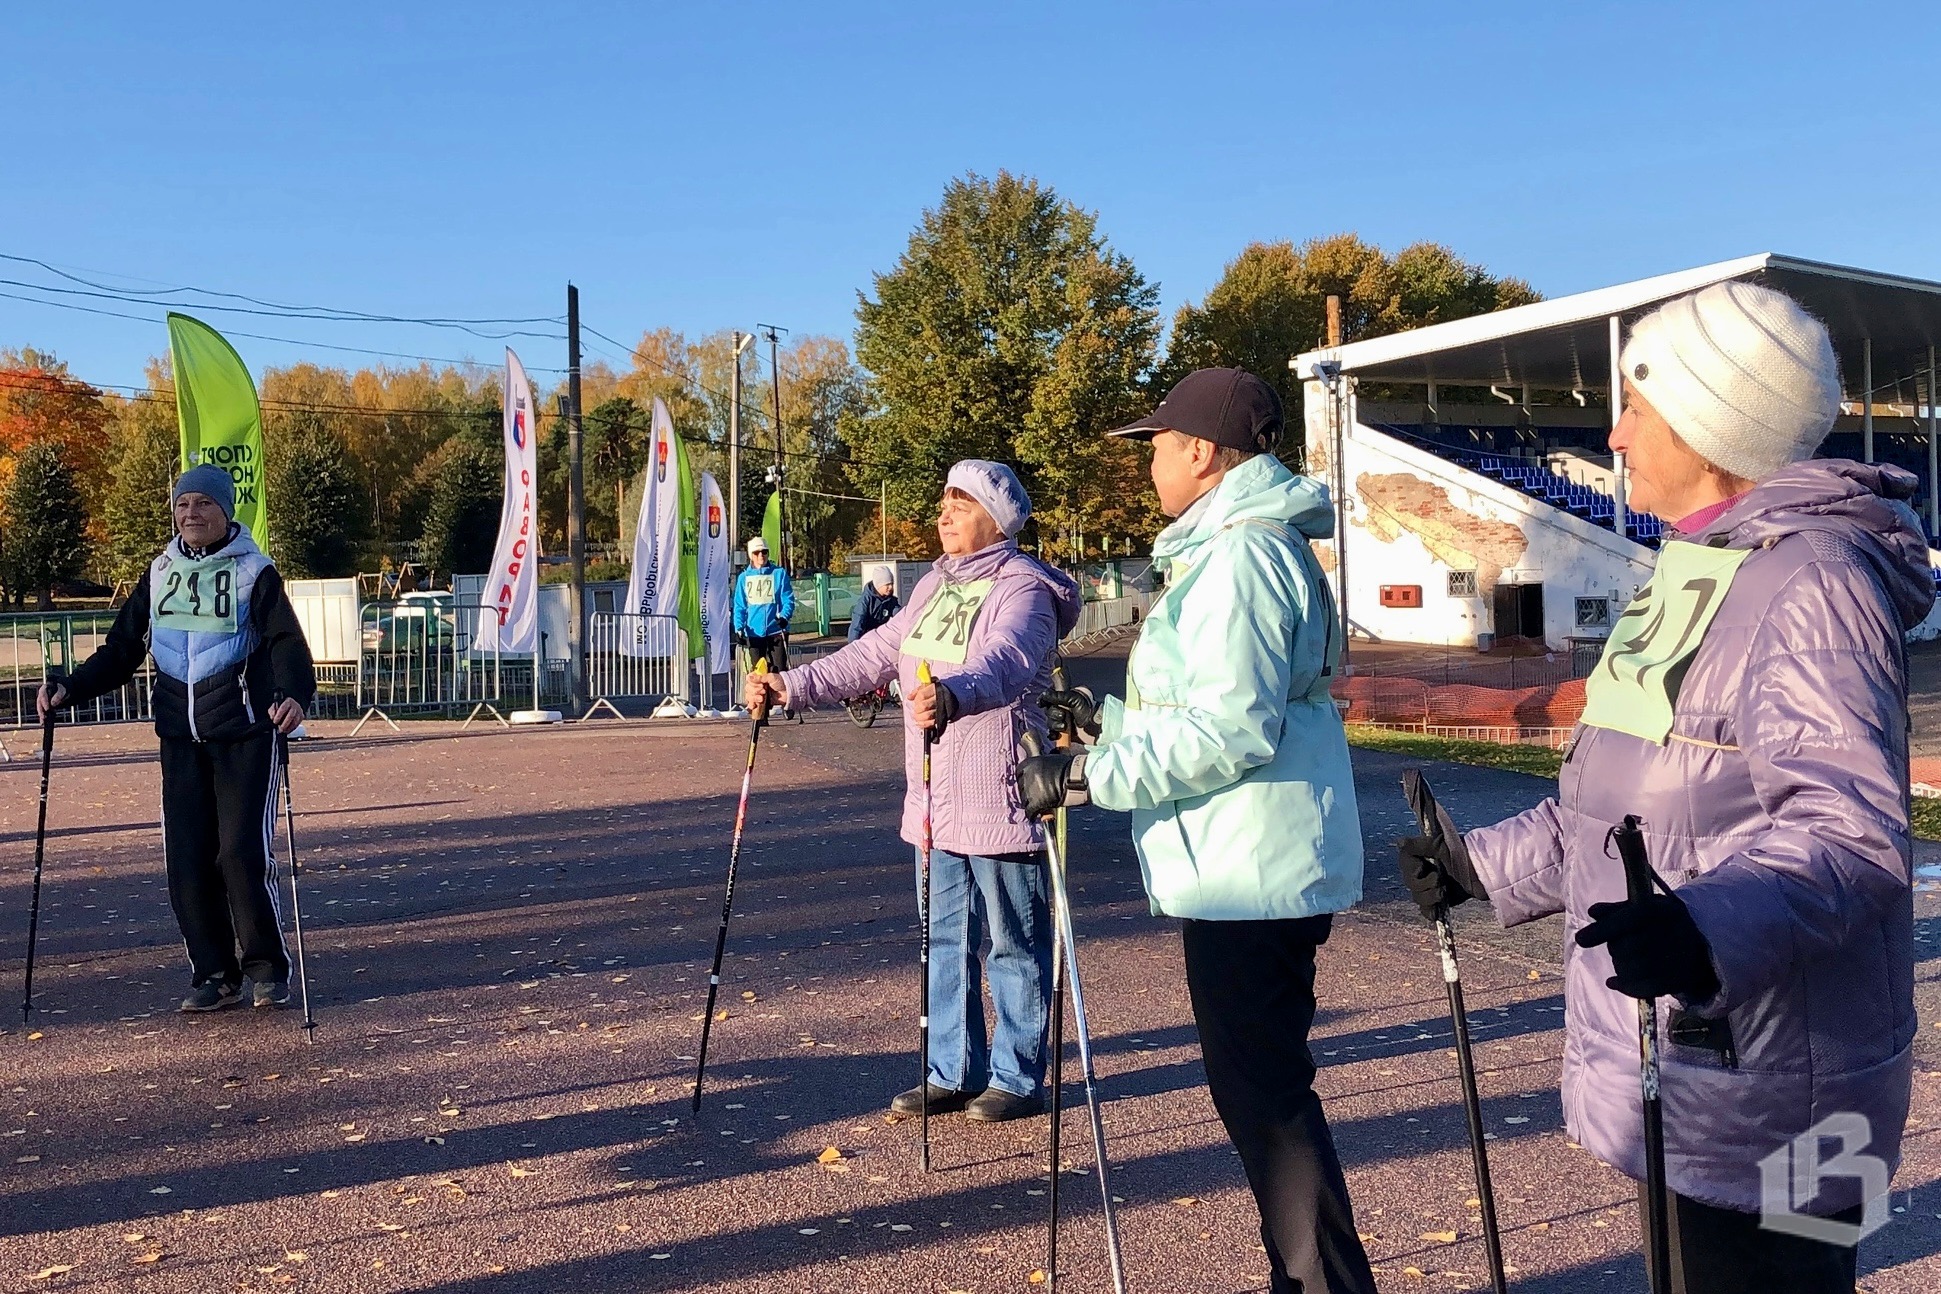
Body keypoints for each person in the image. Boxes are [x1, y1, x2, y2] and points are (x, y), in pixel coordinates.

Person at [1398, 281, 1930, 1293]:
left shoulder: (1815, 580)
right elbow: (1622, 803)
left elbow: (1853, 834)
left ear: (1710, 421)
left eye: (1637, 405)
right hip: (1698, 1074)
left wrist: (1706, 923)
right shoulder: (1696, 572)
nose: (1616, 432)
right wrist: (1478, 866)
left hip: (1796, 1099)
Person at [1019, 367, 1377, 1294]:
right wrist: (1105, 728)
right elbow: (1208, 704)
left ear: (1201, 452)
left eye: (1155, 446)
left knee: (1264, 1097)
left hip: (1249, 868)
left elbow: (1229, 728)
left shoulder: (1240, 556)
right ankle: (1307, 1277)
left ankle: (1320, 1283)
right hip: (1243, 858)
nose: (1147, 465)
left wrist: (1089, 775)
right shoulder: (1232, 548)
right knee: (1260, 1090)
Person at [747, 461, 1080, 1121]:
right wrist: (792, 688)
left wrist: (954, 694)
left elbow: (1008, 661)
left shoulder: (1023, 589)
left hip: (1001, 796)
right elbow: (872, 654)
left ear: (998, 518)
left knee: (1013, 939)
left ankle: (1016, 1077)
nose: (944, 514)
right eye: (942, 503)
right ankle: (951, 1070)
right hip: (931, 800)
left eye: (960, 503)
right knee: (942, 940)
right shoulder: (932, 584)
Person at [39, 465, 316, 1013]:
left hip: (243, 733)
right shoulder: (160, 572)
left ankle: (266, 968)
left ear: (225, 511)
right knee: (187, 857)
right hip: (180, 738)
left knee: (240, 853)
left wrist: (293, 695)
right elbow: (122, 648)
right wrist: (70, 687)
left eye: (203, 504)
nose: (191, 514)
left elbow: (286, 641)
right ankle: (213, 973)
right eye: (183, 504)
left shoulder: (254, 572)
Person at [732, 536, 796, 717]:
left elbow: (788, 599)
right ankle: (762, 712)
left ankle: (787, 702)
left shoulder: (779, 574)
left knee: (779, 669)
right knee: (758, 673)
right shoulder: (744, 578)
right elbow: (740, 605)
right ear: (751, 555)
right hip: (754, 632)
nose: (761, 556)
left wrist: (784, 617)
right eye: (757, 552)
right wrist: (738, 627)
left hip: (776, 629)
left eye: (764, 552)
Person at [847, 566, 901, 642]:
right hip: (865, 640)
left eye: (892, 584)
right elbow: (857, 624)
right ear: (879, 585)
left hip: (880, 639)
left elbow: (900, 616)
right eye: (887, 585)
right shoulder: (865, 601)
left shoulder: (891, 601)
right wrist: (853, 647)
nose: (891, 587)